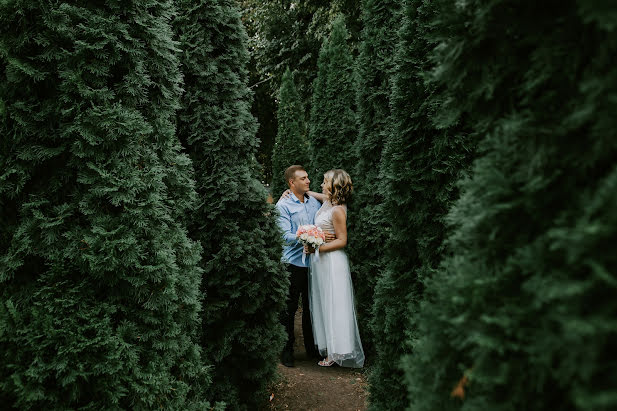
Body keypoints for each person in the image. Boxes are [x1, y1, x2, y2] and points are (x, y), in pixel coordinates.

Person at [304, 169, 364, 367]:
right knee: (325, 303)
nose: (321, 185)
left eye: (325, 182)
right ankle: (331, 348)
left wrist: (317, 248)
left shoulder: (338, 210)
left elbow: (342, 240)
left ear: (334, 186)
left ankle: (337, 352)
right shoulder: (328, 202)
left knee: (334, 304)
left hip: (332, 261)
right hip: (322, 261)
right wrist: (296, 192)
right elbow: (317, 195)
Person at [276, 165, 335, 367]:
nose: (308, 180)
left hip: (315, 263)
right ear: (292, 183)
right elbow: (284, 236)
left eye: (308, 177)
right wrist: (311, 236)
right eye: (303, 178)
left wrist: (309, 192)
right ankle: (286, 350)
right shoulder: (283, 205)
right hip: (292, 263)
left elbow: (335, 200)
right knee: (289, 309)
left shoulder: (313, 203)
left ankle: (312, 348)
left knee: (312, 307)